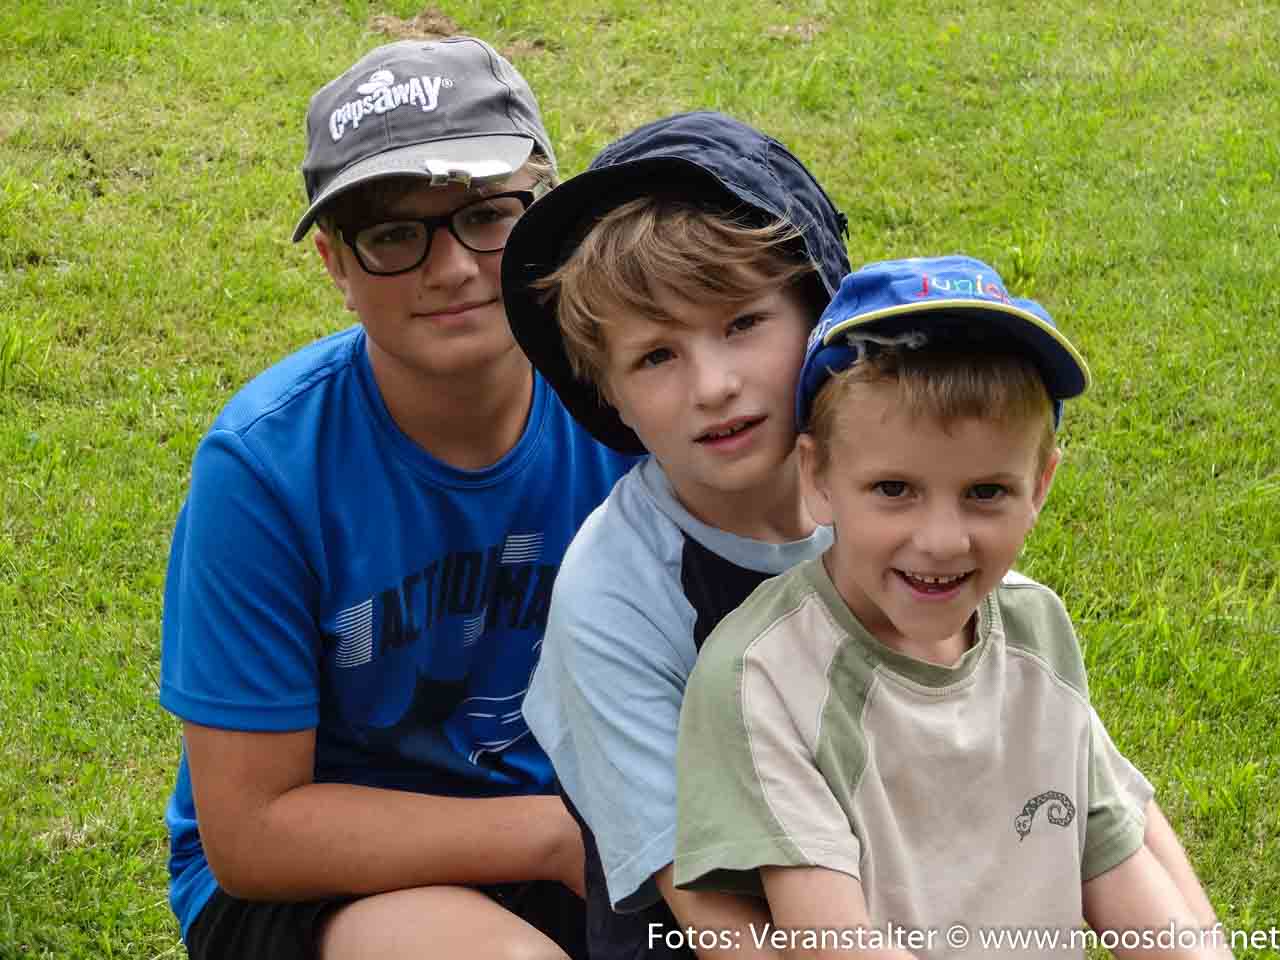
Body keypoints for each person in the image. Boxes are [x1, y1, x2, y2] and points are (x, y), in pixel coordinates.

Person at [158, 37, 636, 960]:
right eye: (392, 235)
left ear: (549, 221)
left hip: (590, 824)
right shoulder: (265, 467)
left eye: (486, 215)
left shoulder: (629, 403)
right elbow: (253, 833)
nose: (450, 267)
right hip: (331, 875)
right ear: (335, 265)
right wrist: (550, 837)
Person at [673, 256, 1231, 959]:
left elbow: (1110, 854)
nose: (941, 540)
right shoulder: (764, 674)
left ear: (1040, 485)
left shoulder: (1035, 627)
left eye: (986, 492)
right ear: (817, 477)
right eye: (894, 489)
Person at [500, 110, 852, 959]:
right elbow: (710, 914)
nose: (714, 385)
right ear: (606, 393)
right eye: (656, 356)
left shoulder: (890, 497)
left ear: (818, 312)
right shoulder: (614, 592)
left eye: (743, 323)